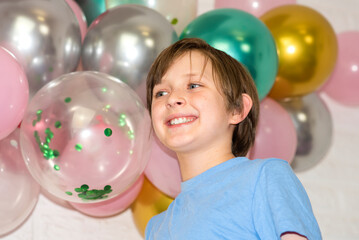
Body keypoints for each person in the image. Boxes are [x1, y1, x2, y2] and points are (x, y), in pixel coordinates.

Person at [145, 38, 321, 240]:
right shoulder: (156, 228)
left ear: (237, 109)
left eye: (193, 85)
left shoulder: (263, 178)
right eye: (160, 93)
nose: (172, 99)